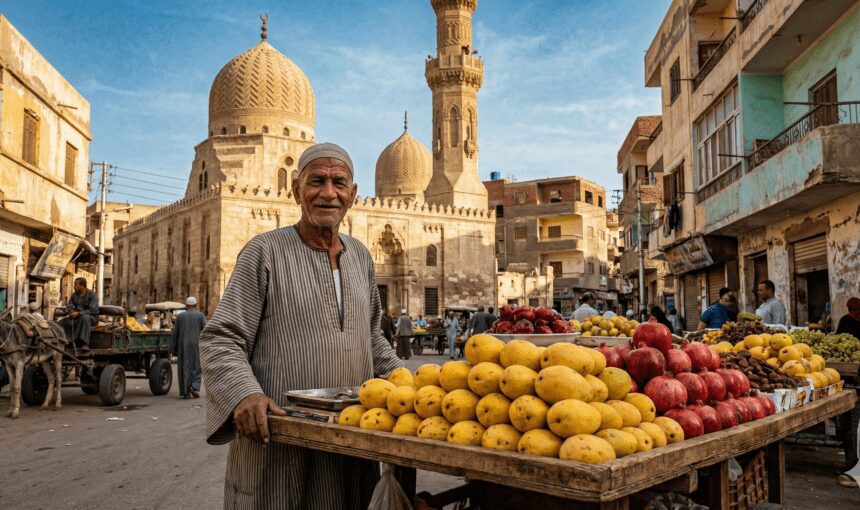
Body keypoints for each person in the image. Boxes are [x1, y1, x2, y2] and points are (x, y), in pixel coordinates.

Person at [199, 142, 404, 509]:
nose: (328, 193)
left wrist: (416, 383)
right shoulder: (264, 252)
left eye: (339, 183)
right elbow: (222, 338)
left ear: (353, 195)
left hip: (349, 440)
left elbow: (372, 339)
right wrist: (244, 393)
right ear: (296, 190)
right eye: (316, 182)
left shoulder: (360, 256)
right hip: (279, 443)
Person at [172, 296, 206, 399]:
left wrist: (173, 349)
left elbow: (174, 333)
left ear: (186, 306)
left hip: (183, 345)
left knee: (184, 366)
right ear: (195, 305)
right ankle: (194, 387)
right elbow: (206, 330)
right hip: (196, 344)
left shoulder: (180, 317)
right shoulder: (200, 316)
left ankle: (185, 390)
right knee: (196, 366)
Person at [58, 277, 99, 352]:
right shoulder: (75, 295)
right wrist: (70, 311)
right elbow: (69, 305)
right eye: (74, 284)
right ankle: (65, 340)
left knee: (85, 318)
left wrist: (79, 313)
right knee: (61, 322)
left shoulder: (92, 295)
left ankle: (84, 343)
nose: (74, 286)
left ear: (82, 285)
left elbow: (93, 310)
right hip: (77, 317)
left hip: (91, 317)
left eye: (76, 284)